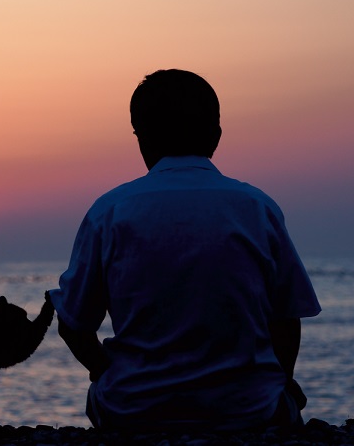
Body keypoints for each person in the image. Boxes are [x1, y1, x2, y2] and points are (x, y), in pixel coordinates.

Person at [49, 69, 321, 432]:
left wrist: (109, 374)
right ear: (216, 135)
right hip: (248, 411)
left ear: (141, 137)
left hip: (134, 412)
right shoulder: (257, 207)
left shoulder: (109, 211)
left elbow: (73, 325)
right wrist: (280, 381)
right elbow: (287, 316)